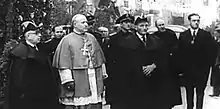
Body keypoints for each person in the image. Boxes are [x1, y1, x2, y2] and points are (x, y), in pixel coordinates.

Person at [52, 14, 107, 109]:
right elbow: (63, 64)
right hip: (77, 77)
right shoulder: (67, 40)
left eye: (86, 22)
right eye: (83, 22)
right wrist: (67, 80)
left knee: (94, 102)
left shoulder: (92, 38)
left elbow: (100, 59)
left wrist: (103, 73)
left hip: (93, 76)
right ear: (75, 24)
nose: (86, 24)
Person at [4, 22, 60, 109]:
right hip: (29, 94)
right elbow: (18, 76)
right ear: (28, 36)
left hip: (43, 91)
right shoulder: (21, 51)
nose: (40, 35)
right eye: (36, 33)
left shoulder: (40, 47)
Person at [178, 13, 216, 109]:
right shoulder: (183, 35)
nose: (196, 22)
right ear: (189, 21)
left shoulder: (205, 35)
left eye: (198, 20)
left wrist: (208, 66)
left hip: (201, 71)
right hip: (188, 71)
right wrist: (181, 69)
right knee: (189, 92)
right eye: (194, 20)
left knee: (200, 93)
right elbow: (180, 53)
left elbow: (212, 51)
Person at [104, 13, 134, 109]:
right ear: (121, 24)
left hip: (132, 73)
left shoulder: (134, 37)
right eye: (125, 22)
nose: (128, 24)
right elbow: (109, 57)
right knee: (118, 102)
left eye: (130, 22)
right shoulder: (113, 39)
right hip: (118, 73)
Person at [154, 18, 182, 107]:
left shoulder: (171, 34)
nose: (162, 27)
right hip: (159, 67)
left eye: (163, 24)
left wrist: (170, 52)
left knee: (171, 88)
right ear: (156, 26)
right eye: (160, 25)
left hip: (170, 65)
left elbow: (177, 46)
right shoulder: (154, 36)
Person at [210, 25, 220, 98]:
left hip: (218, 62)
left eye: (216, 32)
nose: (214, 33)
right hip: (215, 62)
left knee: (217, 78)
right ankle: (215, 92)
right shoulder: (216, 40)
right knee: (215, 77)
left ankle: (216, 92)